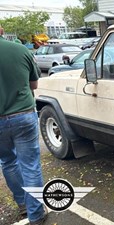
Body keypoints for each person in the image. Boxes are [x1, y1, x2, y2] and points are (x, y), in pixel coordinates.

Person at [0, 26, 47, 225]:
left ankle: (23, 205)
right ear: (1, 30)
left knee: (8, 162)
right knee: (30, 165)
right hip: (23, 115)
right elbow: (34, 85)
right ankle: (36, 214)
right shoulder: (20, 50)